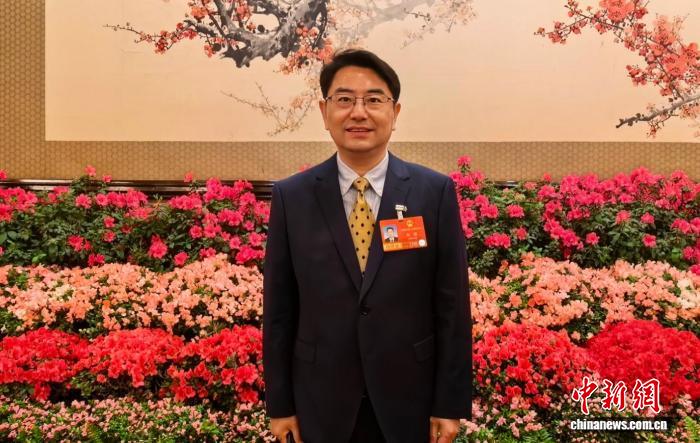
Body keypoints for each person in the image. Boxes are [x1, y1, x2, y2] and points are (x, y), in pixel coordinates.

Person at [263, 48, 472, 443]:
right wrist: (280, 404)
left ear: (395, 112)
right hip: (319, 401)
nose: (358, 113)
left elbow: (452, 307)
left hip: (410, 398)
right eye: (344, 99)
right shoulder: (292, 197)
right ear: (325, 112)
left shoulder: (434, 193)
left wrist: (449, 403)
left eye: (374, 100)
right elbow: (279, 311)